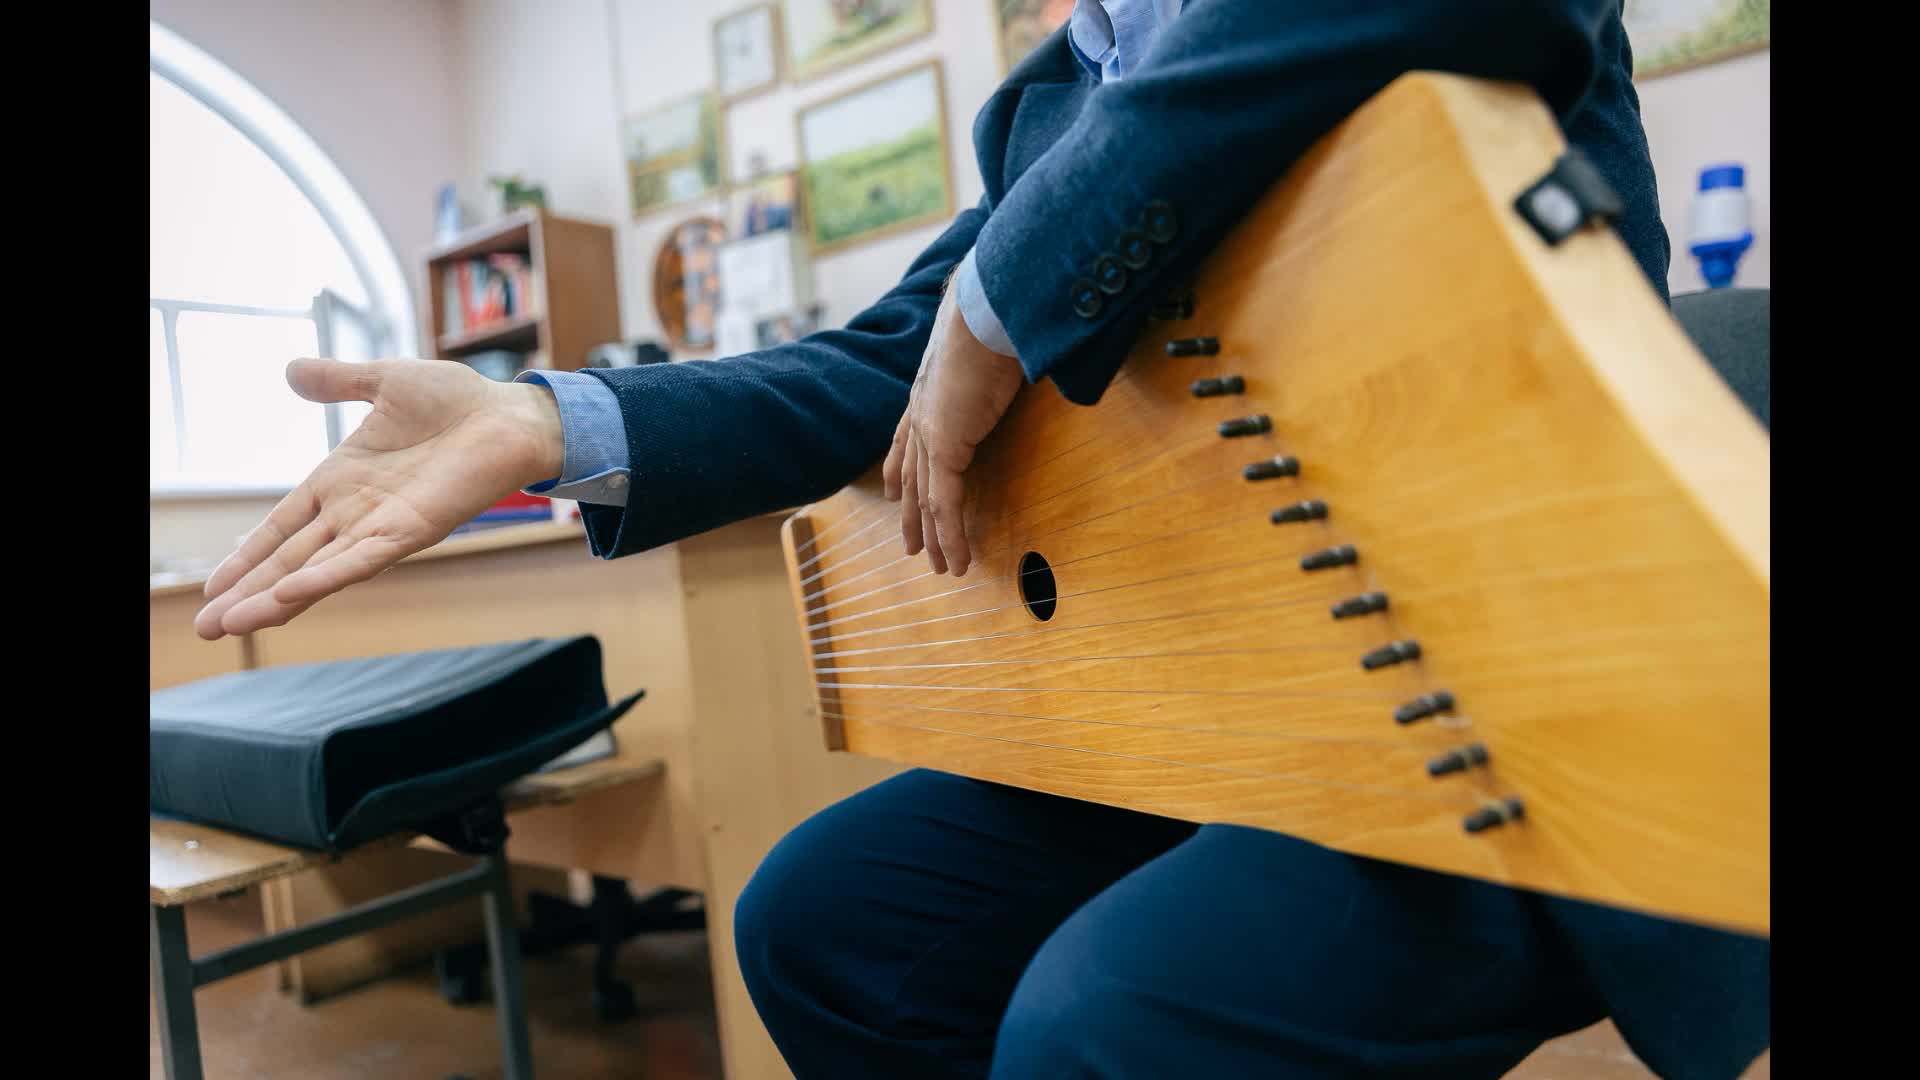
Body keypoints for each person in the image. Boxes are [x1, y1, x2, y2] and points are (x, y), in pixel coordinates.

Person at [195, 3, 1769, 1076]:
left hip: (1505, 692)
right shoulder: (1069, 90)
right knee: (825, 926)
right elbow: (885, 357)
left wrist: (996, 303)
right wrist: (546, 424)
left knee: (1103, 1025)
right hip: (1238, 698)